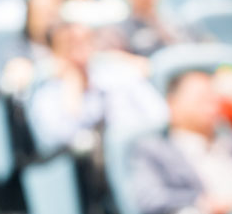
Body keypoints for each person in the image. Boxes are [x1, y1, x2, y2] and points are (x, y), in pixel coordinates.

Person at [132, 71, 232, 214]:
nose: (211, 104)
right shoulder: (155, 151)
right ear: (173, 104)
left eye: (213, 97)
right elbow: (150, 200)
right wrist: (204, 203)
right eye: (200, 98)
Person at [27, 21, 168, 153]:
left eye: (85, 42)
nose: (80, 53)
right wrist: (72, 91)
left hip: (141, 148)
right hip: (91, 168)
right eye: (70, 46)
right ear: (55, 54)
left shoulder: (118, 73)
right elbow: (58, 143)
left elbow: (159, 114)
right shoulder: (47, 96)